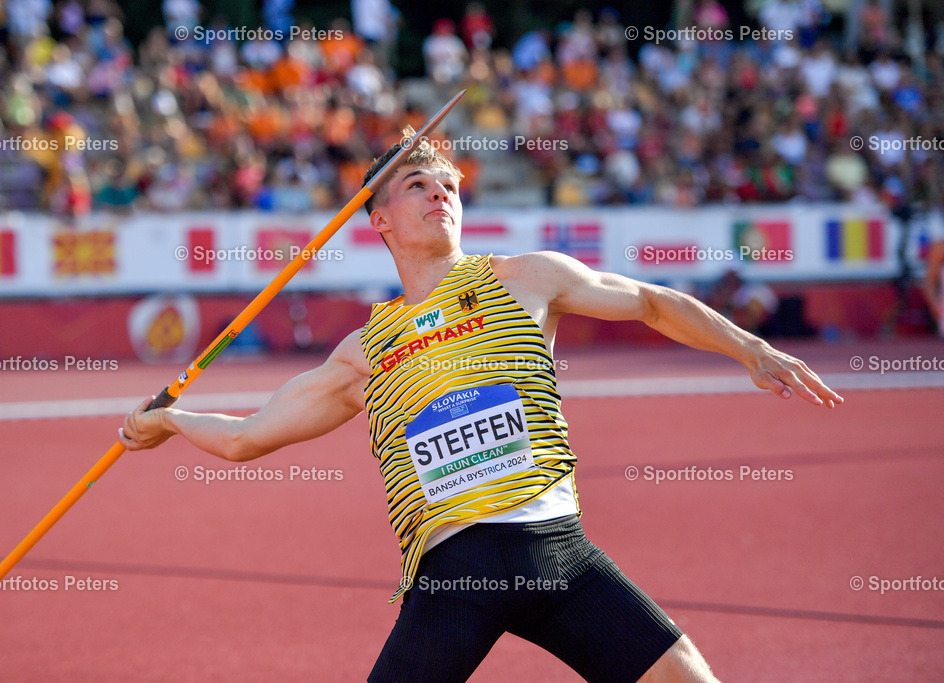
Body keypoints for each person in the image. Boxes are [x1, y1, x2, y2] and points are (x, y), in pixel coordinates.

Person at [120, 130, 843, 682]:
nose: (441, 196)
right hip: (453, 573)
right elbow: (248, 437)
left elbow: (652, 303)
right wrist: (171, 420)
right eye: (417, 185)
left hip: (557, 550)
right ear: (378, 219)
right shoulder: (364, 351)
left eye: (449, 186)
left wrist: (751, 347)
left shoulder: (526, 278)